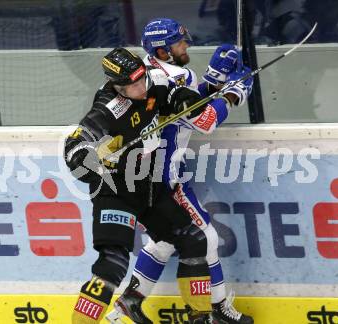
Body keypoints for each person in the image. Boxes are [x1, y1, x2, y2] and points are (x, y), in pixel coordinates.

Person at [107, 18, 254, 324]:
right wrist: (233, 94)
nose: (186, 45)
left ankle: (122, 311)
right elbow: (205, 119)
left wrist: (211, 83)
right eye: (179, 42)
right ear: (163, 51)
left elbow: (185, 105)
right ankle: (217, 310)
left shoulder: (144, 69)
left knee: (162, 243)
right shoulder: (176, 76)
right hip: (163, 179)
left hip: (138, 178)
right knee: (205, 237)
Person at [65, 47, 223, 324]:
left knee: (193, 240)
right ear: (117, 86)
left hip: (149, 186)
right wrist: (81, 156)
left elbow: (169, 94)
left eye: (142, 79)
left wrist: (183, 98)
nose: (141, 87)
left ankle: (200, 317)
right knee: (112, 264)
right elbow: (77, 141)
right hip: (115, 190)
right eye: (133, 85)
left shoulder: (153, 79)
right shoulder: (108, 106)